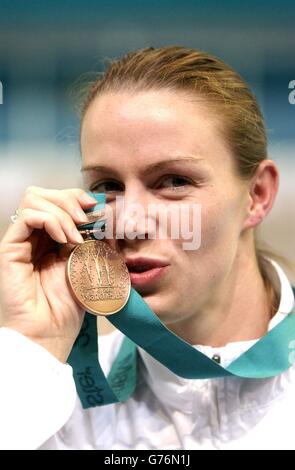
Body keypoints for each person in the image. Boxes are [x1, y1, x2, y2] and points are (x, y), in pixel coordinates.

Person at [0, 45, 294, 450]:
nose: (129, 224)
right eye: (108, 187)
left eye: (174, 181)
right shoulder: (48, 401)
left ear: (257, 195)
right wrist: (32, 348)